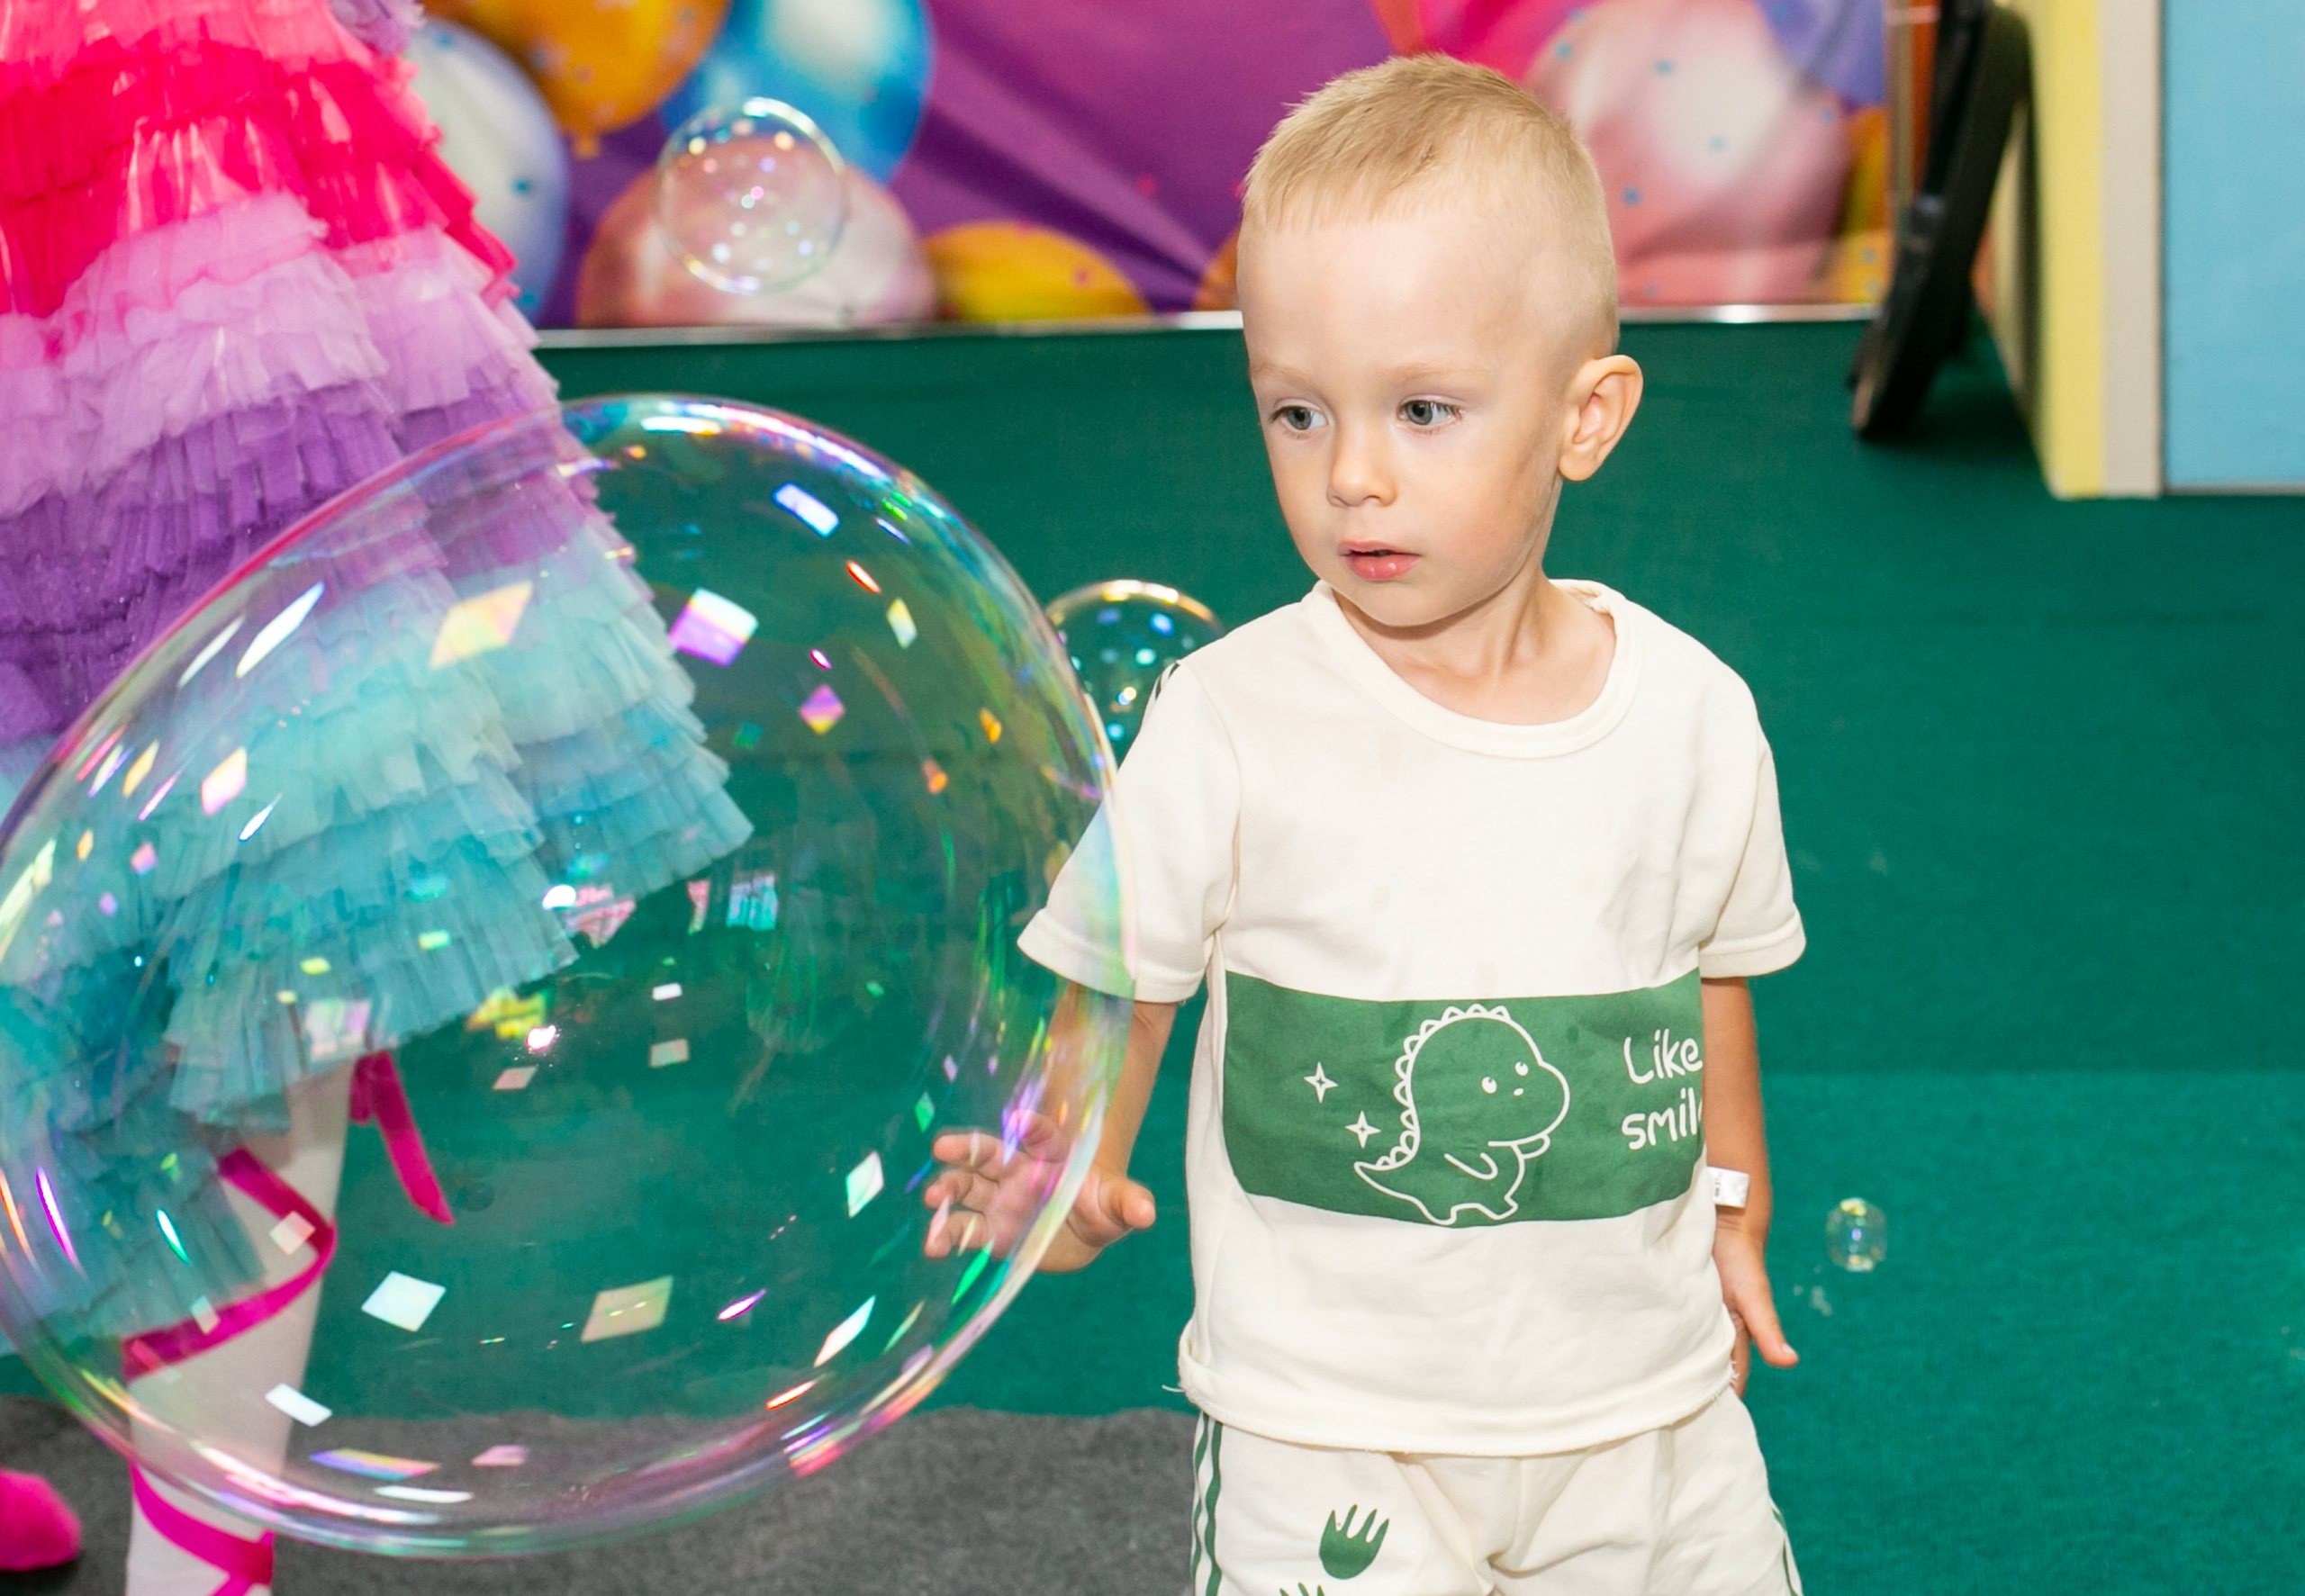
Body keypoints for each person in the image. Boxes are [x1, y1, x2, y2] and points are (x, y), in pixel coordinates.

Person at [926, 54, 1806, 1595]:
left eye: (1423, 408)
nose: (1352, 474)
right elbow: (1127, 976)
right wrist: (1069, 1171)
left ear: (1584, 416)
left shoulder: (1695, 713)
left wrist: (1733, 1201)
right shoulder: (1230, 714)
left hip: (1646, 1410)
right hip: (1325, 1429)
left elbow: (1708, 973)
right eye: (1296, 408)